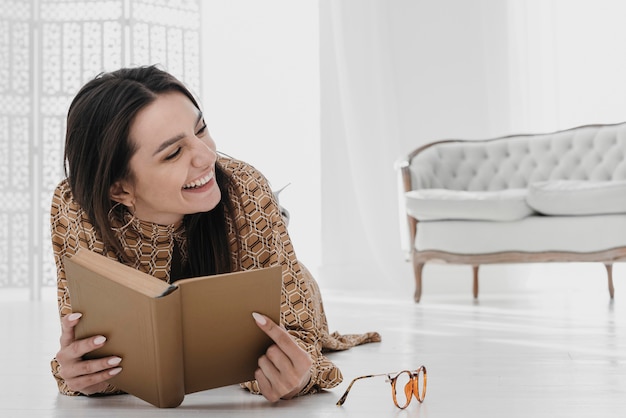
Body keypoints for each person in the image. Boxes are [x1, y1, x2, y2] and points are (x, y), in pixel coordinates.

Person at [50, 65, 380, 403]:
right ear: (119, 189)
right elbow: (89, 343)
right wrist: (83, 372)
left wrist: (299, 374)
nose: (208, 156)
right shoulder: (73, 207)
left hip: (288, 280)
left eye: (201, 129)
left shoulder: (245, 186)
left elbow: (298, 336)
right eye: (174, 153)